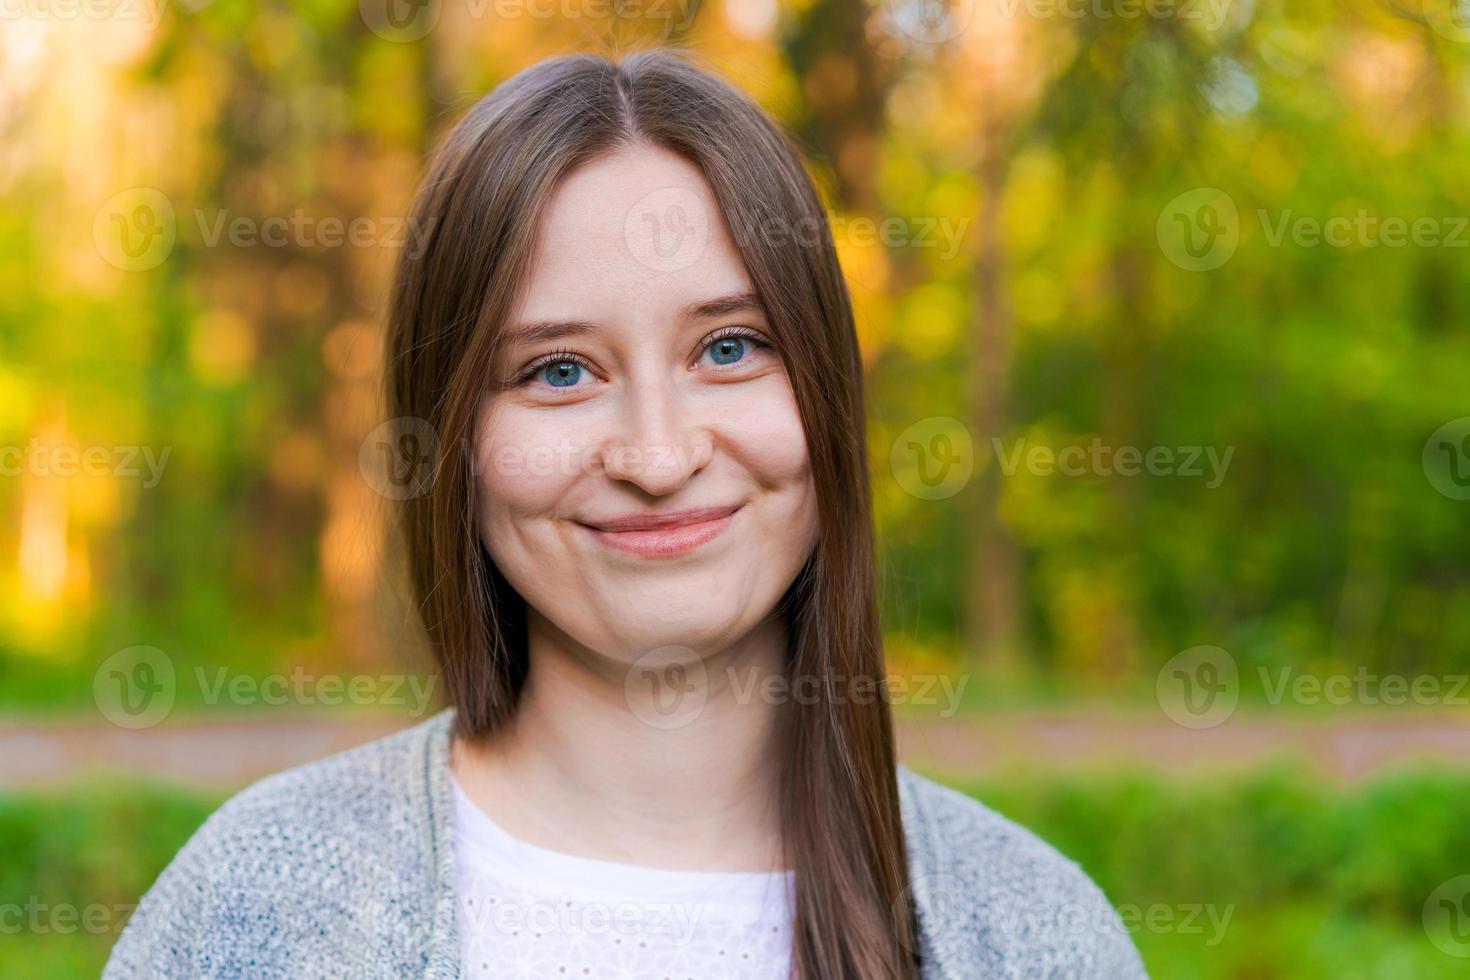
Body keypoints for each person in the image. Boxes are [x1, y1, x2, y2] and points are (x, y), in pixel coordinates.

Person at [104, 49, 1146, 979]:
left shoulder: (1035, 928)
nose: (657, 454)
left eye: (730, 347)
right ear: (453, 441)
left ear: (826, 387)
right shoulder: (257, 910)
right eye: (559, 370)